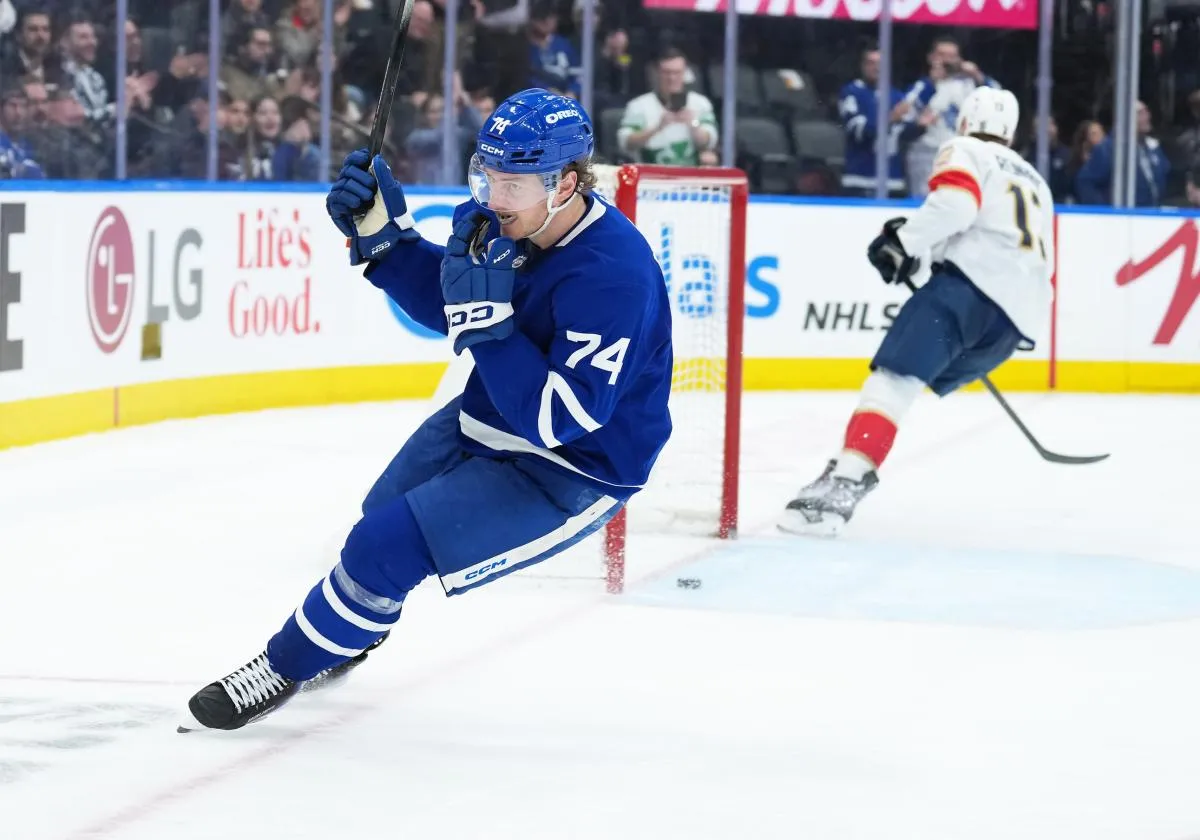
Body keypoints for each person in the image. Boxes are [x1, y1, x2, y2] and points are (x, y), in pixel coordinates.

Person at [180, 89, 675, 732]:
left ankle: (283, 667)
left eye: (514, 184)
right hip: (493, 415)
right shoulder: (507, 222)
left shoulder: (614, 275)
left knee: (381, 546)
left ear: (568, 183)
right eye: (488, 176)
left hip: (575, 466)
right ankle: (351, 633)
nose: (495, 199)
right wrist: (384, 241)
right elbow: (455, 303)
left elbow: (559, 418)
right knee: (376, 522)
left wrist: (490, 326)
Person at [779, 87, 1054, 537]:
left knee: (891, 384)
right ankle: (849, 467)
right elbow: (1008, 246)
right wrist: (920, 257)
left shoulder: (965, 149)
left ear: (965, 121)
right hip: (1013, 325)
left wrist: (902, 242)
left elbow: (956, 206)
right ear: (1012, 131)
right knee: (904, 381)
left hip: (968, 294)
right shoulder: (1036, 181)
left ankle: (846, 482)